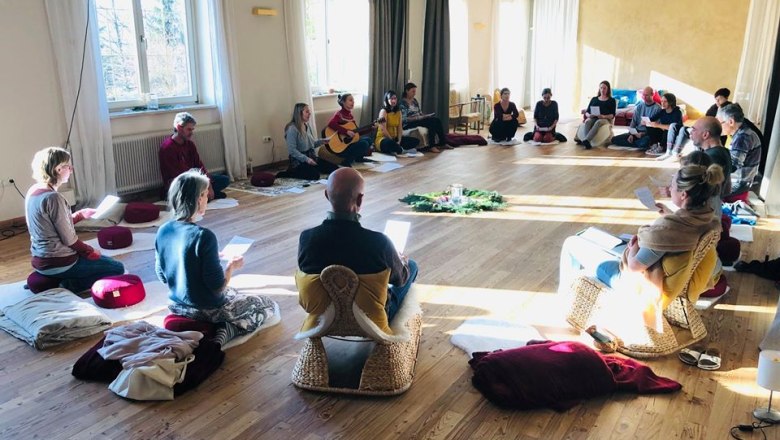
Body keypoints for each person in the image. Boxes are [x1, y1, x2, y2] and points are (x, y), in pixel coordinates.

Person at [559, 164, 723, 309]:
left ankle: (564, 301)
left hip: (639, 286)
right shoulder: (708, 221)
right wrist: (669, 214)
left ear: (684, 195)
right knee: (608, 244)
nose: (670, 189)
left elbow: (634, 267)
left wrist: (633, 247)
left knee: (572, 243)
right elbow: (681, 232)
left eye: (672, 186)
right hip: (669, 280)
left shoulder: (667, 231)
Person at [155, 170, 277, 346]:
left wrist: (206, 257)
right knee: (265, 305)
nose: (208, 199)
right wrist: (231, 267)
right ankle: (228, 330)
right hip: (206, 309)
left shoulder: (163, 230)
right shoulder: (203, 236)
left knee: (234, 293)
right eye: (205, 195)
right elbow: (217, 286)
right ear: (198, 199)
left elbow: (163, 276)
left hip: (176, 304)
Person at [298, 168, 418, 321]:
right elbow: (400, 279)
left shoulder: (307, 238)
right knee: (411, 266)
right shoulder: (379, 242)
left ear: (327, 195)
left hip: (325, 314)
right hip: (370, 317)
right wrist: (401, 262)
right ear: (360, 199)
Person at [25, 147, 124, 292]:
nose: (71, 170)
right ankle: (67, 286)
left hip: (40, 258)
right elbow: (69, 240)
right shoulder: (53, 198)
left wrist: (80, 215)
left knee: (104, 262)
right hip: (59, 261)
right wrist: (89, 251)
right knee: (117, 268)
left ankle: (56, 280)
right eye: (68, 166)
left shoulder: (33, 191)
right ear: (58, 169)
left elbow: (52, 226)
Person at [159, 112, 230, 201]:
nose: (191, 133)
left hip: (196, 180)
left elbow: (199, 165)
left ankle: (201, 196)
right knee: (189, 187)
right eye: (189, 129)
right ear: (179, 128)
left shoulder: (190, 144)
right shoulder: (167, 148)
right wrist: (202, 184)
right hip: (181, 183)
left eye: (192, 130)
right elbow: (180, 175)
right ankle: (201, 196)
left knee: (224, 180)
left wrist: (208, 184)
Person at [663, 87, 732, 161]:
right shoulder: (714, 107)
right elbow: (706, 118)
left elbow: (718, 126)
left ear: (726, 98)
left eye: (719, 99)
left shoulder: (729, 110)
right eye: (716, 99)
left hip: (712, 133)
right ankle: (673, 152)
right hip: (704, 129)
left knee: (692, 133)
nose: (717, 102)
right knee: (679, 128)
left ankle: (693, 156)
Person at [278, 103, 338, 180]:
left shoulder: (306, 125)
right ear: (299, 113)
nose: (309, 114)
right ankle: (291, 172)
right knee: (314, 175)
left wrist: (322, 141)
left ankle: (310, 168)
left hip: (311, 157)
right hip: (299, 161)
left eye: (309, 111)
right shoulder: (292, 129)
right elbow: (292, 150)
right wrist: (306, 159)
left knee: (335, 169)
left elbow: (311, 144)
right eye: (307, 112)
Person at [717, 103, 761, 202]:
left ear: (731, 121)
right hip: (742, 181)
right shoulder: (743, 132)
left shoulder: (742, 137)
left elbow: (732, 167)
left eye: (720, 123)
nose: (719, 127)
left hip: (738, 184)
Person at [400, 82, 450, 153]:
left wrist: (425, 116)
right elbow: (404, 119)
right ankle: (431, 146)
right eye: (413, 91)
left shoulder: (415, 101)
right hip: (409, 123)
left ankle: (442, 143)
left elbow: (420, 113)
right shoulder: (402, 103)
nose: (414, 93)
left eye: (415, 91)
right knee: (431, 122)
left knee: (437, 120)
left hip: (418, 120)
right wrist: (417, 118)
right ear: (407, 91)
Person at [325, 93, 373, 167]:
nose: (353, 102)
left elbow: (357, 133)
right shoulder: (339, 114)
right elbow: (331, 124)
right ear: (343, 102)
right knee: (364, 144)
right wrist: (346, 131)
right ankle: (346, 161)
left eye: (353, 100)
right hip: (340, 146)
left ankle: (359, 158)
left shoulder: (350, 116)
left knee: (368, 140)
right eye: (350, 100)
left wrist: (370, 129)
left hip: (348, 144)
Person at [689, 116, 732, 199]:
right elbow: (727, 189)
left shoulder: (710, 157)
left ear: (705, 135)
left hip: (706, 208)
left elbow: (700, 192)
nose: (691, 133)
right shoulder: (724, 151)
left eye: (694, 129)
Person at [609, 87, 661, 151]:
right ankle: (638, 144)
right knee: (614, 139)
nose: (644, 97)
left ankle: (639, 144)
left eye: (646, 95)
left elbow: (656, 127)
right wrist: (632, 134)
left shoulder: (657, 108)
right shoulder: (639, 106)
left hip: (648, 134)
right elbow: (633, 122)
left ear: (652, 94)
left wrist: (643, 134)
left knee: (644, 142)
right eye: (643, 95)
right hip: (636, 132)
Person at [374, 90, 421, 155]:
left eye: (395, 98)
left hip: (395, 138)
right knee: (389, 143)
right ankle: (401, 150)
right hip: (383, 139)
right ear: (387, 100)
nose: (393, 100)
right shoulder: (383, 111)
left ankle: (397, 149)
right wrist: (392, 140)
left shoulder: (398, 112)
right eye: (391, 98)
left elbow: (400, 128)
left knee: (416, 141)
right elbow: (383, 129)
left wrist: (399, 140)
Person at [575, 80, 616, 149]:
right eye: (601, 88)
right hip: (593, 117)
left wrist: (604, 116)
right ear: (599, 89)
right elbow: (587, 112)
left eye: (604, 88)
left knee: (599, 122)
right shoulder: (594, 99)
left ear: (608, 89)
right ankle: (587, 141)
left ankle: (587, 140)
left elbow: (612, 115)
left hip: (604, 119)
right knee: (588, 121)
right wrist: (589, 115)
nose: (602, 90)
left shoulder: (611, 100)